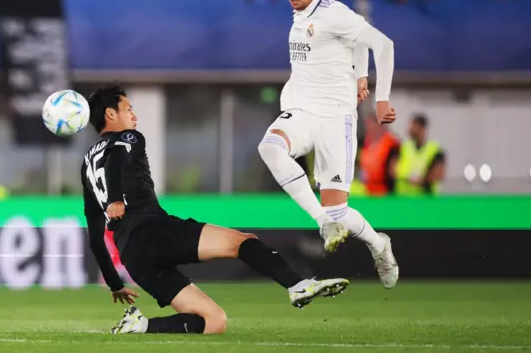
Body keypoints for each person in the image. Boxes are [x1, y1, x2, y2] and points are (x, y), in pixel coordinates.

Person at [81, 84, 350, 335]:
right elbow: (116, 158)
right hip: (153, 231)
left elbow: (95, 238)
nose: (133, 115)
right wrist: (116, 198)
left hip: (131, 255)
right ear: (110, 113)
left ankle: (140, 325)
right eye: (128, 108)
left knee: (213, 321)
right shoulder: (129, 138)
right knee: (243, 242)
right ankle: (297, 285)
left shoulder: (86, 165)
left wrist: (115, 284)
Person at [258, 0, 399, 289]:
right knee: (270, 148)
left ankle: (379, 245)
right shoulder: (300, 13)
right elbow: (353, 42)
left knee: (340, 212)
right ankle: (323, 222)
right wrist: (360, 73)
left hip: (336, 119)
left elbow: (382, 44)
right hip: (304, 111)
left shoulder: (334, 13)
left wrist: (380, 97)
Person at [394, 114, 445, 195]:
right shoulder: (403, 147)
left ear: (422, 128)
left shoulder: (435, 149)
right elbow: (393, 170)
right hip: (404, 200)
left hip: (425, 201)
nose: (410, 129)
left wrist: (422, 181)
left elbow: (439, 174)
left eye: (413, 127)